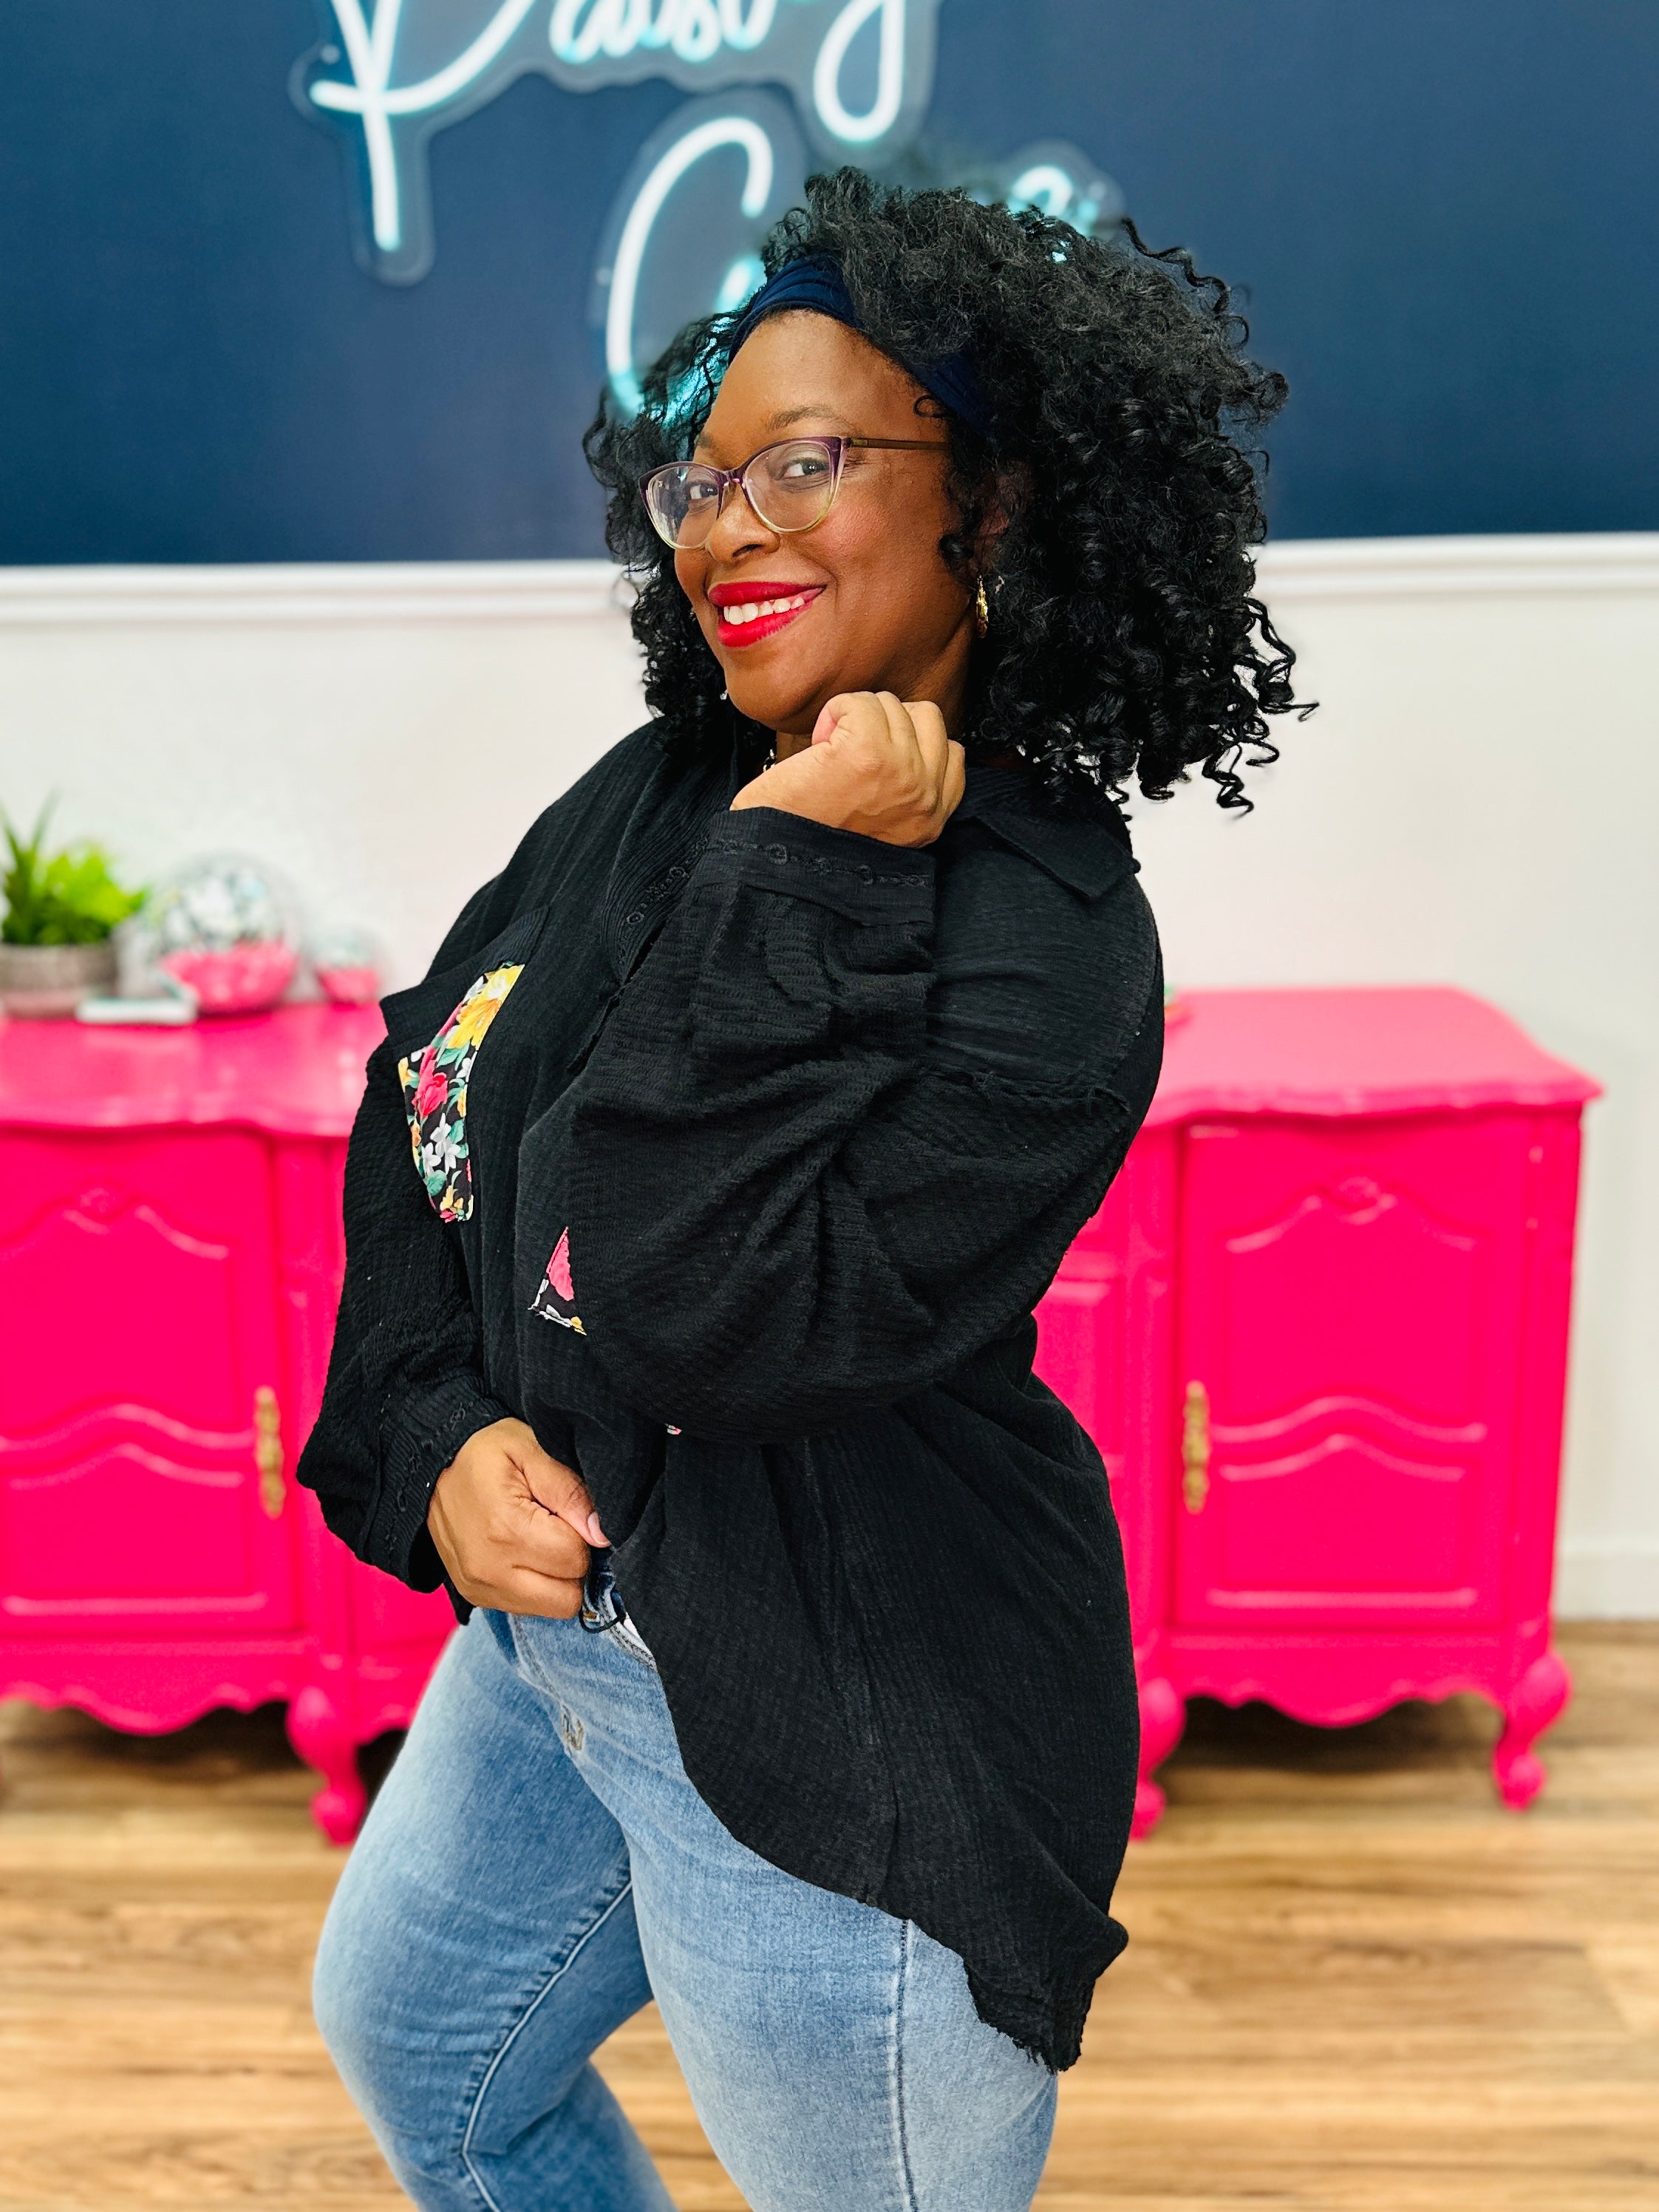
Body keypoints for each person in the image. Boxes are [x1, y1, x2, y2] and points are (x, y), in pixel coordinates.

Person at [297, 167, 1301, 2212]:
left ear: (990, 506)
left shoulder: (1047, 940)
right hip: (562, 1649)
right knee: (426, 2046)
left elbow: (694, 1314)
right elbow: (433, 1090)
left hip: (846, 1705)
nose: (728, 526)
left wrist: (804, 862)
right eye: (705, 478)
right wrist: (437, 1427)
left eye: (810, 462)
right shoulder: (658, 789)